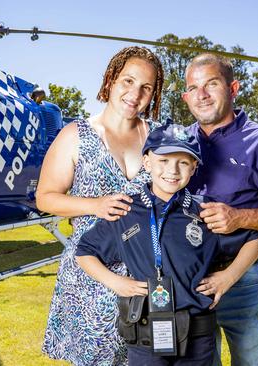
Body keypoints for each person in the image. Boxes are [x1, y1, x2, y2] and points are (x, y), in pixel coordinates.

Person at [75, 123, 258, 366]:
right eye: (163, 160)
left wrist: (228, 277)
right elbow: (84, 252)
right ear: (147, 162)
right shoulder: (125, 210)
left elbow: (255, 240)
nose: (172, 170)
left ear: (194, 167)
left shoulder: (206, 211)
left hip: (197, 335)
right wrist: (115, 282)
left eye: (183, 162)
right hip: (144, 335)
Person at [37, 46, 164, 365]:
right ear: (110, 80)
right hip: (89, 280)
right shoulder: (74, 135)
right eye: (128, 81)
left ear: (154, 94)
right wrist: (94, 205)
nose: (135, 93)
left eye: (146, 87)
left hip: (145, 280)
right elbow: (45, 197)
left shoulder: (158, 140)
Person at [181, 53, 258, 365]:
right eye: (193, 87)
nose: (202, 94)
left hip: (241, 279)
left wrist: (239, 217)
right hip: (187, 281)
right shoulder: (178, 143)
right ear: (185, 97)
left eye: (212, 84)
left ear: (233, 87)